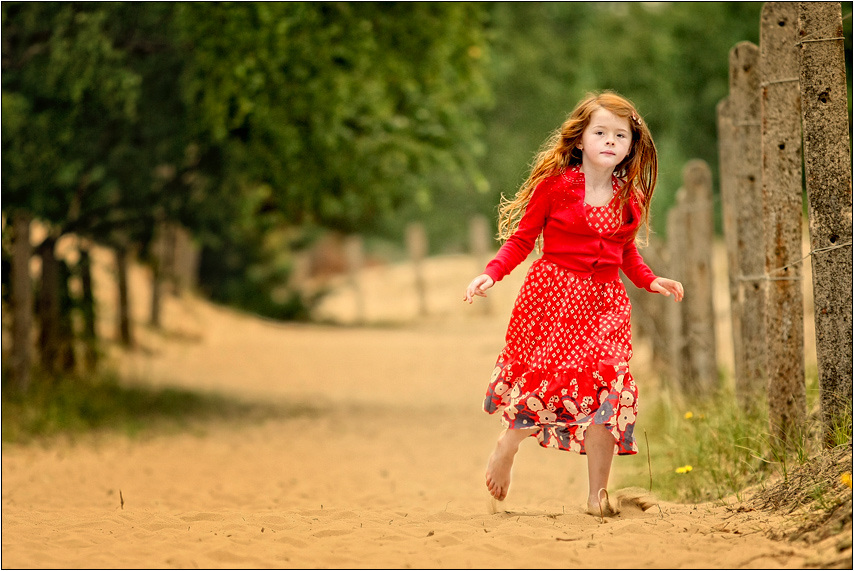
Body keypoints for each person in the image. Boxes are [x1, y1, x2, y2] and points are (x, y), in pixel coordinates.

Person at [463, 91, 684, 517]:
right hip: (553, 299)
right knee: (548, 387)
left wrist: (651, 279)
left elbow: (626, 254)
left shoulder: (629, 198)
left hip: (605, 303)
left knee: (608, 390)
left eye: (620, 135)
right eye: (600, 132)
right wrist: (490, 273)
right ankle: (508, 445)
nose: (610, 140)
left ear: (630, 146)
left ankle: (596, 494)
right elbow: (523, 239)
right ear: (580, 139)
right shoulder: (555, 187)